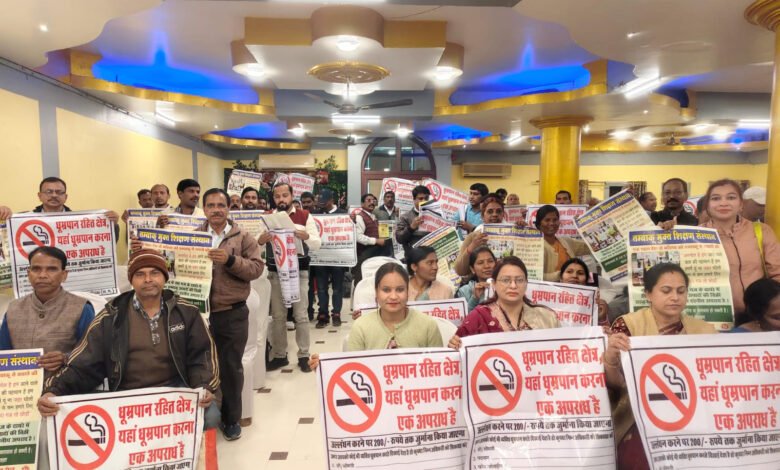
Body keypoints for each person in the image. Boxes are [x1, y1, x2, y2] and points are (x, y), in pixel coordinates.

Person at [37, 249, 220, 428]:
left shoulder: (186, 312)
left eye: (155, 273)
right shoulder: (111, 317)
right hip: (127, 395)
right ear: (131, 280)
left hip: (175, 391)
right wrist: (54, 391)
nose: (148, 279)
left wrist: (203, 386)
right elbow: (83, 364)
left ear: (165, 277)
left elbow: (202, 355)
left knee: (210, 416)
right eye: (140, 274)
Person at [604, 263, 716, 470]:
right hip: (638, 416)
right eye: (666, 291)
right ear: (648, 294)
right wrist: (610, 358)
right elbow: (617, 384)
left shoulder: (704, 331)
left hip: (692, 414)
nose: (675, 297)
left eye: (681, 291)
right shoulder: (628, 325)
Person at [193, 189, 263, 439]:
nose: (216, 210)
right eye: (211, 205)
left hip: (231, 312)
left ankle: (231, 419)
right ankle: (203, 416)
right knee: (199, 364)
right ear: (204, 209)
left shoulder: (243, 237)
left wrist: (230, 260)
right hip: (199, 314)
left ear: (228, 208)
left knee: (231, 368)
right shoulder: (194, 237)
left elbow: (256, 269)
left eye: (220, 205)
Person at [308, 263, 443, 370]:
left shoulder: (428, 325)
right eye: (386, 290)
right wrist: (326, 369)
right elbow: (352, 372)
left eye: (400, 290)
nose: (393, 296)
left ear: (408, 292)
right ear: (376, 293)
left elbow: (439, 370)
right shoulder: (361, 327)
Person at [0, 247, 94, 379]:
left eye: (52, 269)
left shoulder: (81, 308)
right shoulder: (13, 310)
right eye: (36, 269)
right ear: (28, 273)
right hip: (19, 386)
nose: (42, 275)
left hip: (65, 385)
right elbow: (3, 355)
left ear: (64, 275)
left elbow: (93, 353)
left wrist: (65, 358)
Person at [258, 183, 321, 373]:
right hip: (275, 272)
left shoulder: (304, 216)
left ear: (292, 196)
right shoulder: (267, 217)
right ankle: (280, 355)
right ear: (273, 198)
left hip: (299, 272)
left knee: (301, 315)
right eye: (277, 196)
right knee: (278, 316)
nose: (281, 199)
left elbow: (317, 244)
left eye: (285, 195)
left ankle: (303, 355)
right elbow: (256, 243)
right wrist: (261, 240)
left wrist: (305, 236)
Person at [700, 179, 780, 323]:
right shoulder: (696, 235)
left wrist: (770, 307)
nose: (723, 203)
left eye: (731, 197)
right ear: (707, 206)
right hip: (713, 317)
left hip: (758, 317)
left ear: (741, 204)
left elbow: (777, 273)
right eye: (716, 198)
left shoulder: (762, 231)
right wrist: (665, 231)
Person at [448, 257, 560, 347]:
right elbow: (459, 357)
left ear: (526, 284)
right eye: (506, 280)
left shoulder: (546, 317)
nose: (513, 286)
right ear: (494, 284)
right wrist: (454, 345)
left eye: (519, 280)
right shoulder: (478, 317)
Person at [313, 189, 347, 328]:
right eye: (320, 202)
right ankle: (323, 314)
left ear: (332, 200)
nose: (321, 205)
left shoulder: (343, 214)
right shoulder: (315, 214)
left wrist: (352, 221)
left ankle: (336, 313)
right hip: (320, 258)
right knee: (321, 288)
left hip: (338, 257)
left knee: (337, 288)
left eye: (324, 202)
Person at [454, 193, 507, 277]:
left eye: (498, 211)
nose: (495, 214)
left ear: (503, 214)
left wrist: (524, 231)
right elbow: (460, 271)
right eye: (490, 211)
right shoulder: (474, 236)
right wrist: (472, 246)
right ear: (482, 216)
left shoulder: (513, 235)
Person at [534, 205, 590, 281]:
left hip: (572, 286)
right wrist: (564, 275)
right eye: (547, 220)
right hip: (549, 288)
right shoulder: (535, 246)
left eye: (555, 220)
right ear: (539, 224)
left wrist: (586, 222)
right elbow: (535, 277)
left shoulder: (566, 241)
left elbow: (591, 246)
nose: (552, 223)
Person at [354, 193, 391, 285]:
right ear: (362, 204)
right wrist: (376, 241)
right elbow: (358, 237)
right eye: (368, 200)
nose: (372, 203)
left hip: (375, 255)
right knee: (362, 282)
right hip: (364, 255)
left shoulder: (373, 217)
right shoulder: (359, 217)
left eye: (373, 200)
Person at [559, 258, 609, 325]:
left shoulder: (595, 305)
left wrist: (601, 318)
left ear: (586, 281)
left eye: (580, 273)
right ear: (561, 278)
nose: (574, 276)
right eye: (569, 272)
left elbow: (604, 330)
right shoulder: (548, 302)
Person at [396, 185, 432, 260]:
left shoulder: (435, 216)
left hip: (431, 257)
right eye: (420, 198)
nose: (424, 201)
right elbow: (399, 239)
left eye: (426, 198)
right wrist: (411, 228)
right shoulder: (405, 217)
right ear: (414, 199)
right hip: (413, 259)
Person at [455, 246, 497, 311]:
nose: (487, 266)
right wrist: (474, 298)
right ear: (472, 269)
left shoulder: (505, 286)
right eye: (480, 263)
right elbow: (464, 317)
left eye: (490, 261)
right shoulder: (464, 291)